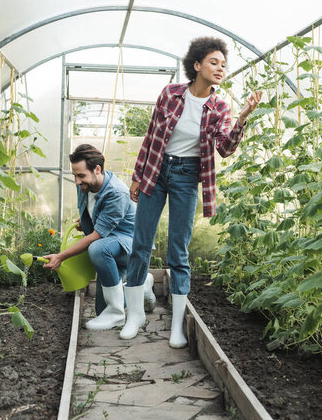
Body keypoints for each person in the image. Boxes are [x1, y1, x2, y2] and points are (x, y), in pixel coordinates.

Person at [120, 37, 262, 347]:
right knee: (140, 244)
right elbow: (151, 137)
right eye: (214, 62)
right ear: (196, 65)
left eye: (223, 65)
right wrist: (138, 176)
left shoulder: (219, 107)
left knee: (178, 252)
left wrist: (242, 118)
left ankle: (176, 327)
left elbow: (224, 148)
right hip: (156, 171)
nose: (220, 68)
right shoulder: (170, 94)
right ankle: (134, 316)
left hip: (187, 176)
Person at [43, 144, 156, 331]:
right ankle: (142, 287)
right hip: (112, 244)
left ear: (97, 169)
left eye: (81, 175)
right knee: (100, 310)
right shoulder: (87, 185)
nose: (77, 181)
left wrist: (61, 256)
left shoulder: (116, 192)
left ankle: (117, 314)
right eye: (75, 175)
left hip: (132, 246)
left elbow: (97, 236)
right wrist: (88, 219)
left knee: (97, 248)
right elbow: (98, 213)